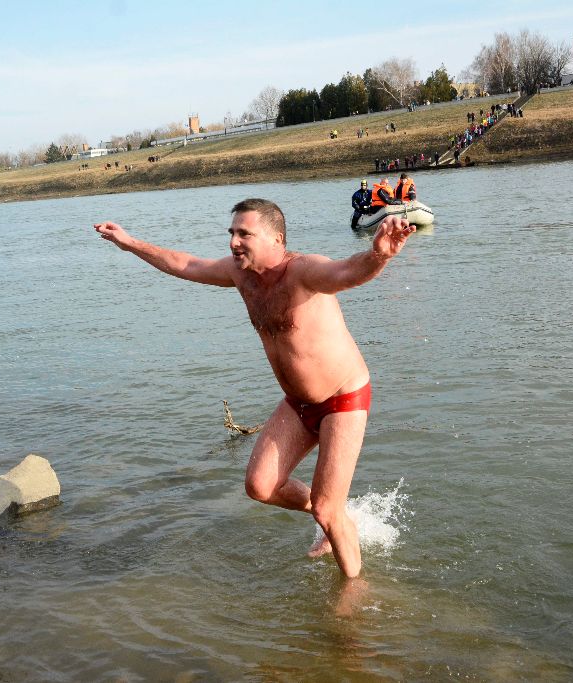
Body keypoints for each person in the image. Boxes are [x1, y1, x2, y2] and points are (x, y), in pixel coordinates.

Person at [93, 200, 415, 578]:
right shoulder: (239, 274)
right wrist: (130, 243)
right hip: (298, 403)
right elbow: (186, 264)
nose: (234, 242)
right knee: (261, 487)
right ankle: (339, 518)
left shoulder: (303, 271)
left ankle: (352, 595)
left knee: (326, 508)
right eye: (232, 233)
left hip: (342, 398)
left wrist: (379, 256)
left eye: (244, 234)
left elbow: (346, 272)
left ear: (276, 239)